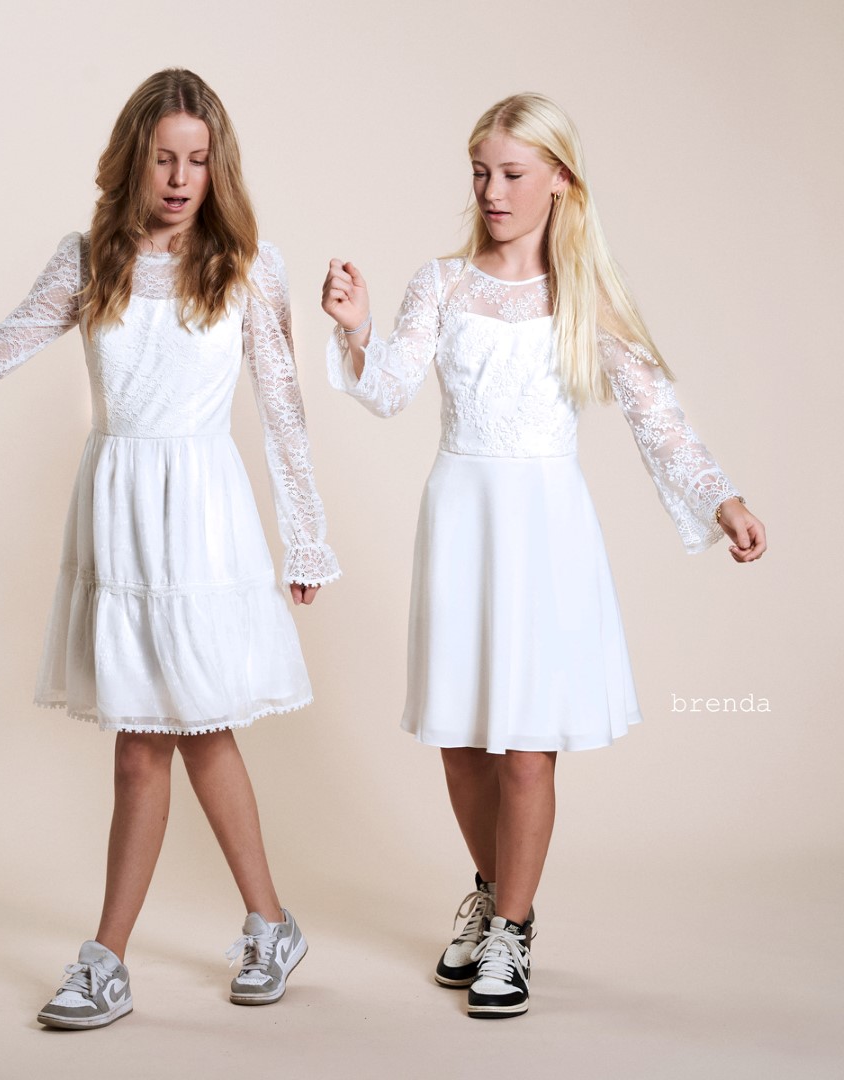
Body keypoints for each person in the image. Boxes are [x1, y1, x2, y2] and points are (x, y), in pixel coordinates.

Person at [0, 68, 339, 1028]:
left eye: (198, 161)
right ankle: (229, 932)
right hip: (122, 514)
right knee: (160, 739)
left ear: (219, 168)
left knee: (188, 731)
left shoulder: (251, 266)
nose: (180, 179)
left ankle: (144, 951)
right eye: (163, 159)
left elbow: (285, 411)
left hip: (203, 518)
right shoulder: (89, 260)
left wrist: (306, 540)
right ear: (133, 160)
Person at [321, 91, 765, 1019]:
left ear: (559, 179)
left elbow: (658, 418)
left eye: (512, 174)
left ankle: (514, 930)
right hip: (461, 519)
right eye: (481, 173)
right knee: (459, 743)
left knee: (527, 748)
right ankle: (492, 892)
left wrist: (720, 499)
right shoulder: (443, 283)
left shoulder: (584, 298)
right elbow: (390, 389)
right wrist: (358, 329)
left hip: (545, 531)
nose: (492, 191)